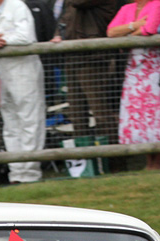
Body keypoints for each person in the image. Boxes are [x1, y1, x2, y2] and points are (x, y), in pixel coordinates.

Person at [0, 0, 45, 183]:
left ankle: (30, 173)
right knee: (10, 123)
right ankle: (16, 172)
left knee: (30, 120)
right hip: (0, 72)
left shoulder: (17, 6)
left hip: (23, 70)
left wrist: (2, 40)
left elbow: (26, 36)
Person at [107, 0, 160, 171]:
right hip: (133, 70)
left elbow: (150, 29)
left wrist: (126, 33)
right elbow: (111, 32)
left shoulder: (158, 4)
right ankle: (148, 161)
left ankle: (158, 161)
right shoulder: (126, 8)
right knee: (138, 114)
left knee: (156, 112)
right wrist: (135, 25)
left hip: (154, 67)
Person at [59, 0, 121, 154]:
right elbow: (65, 18)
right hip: (73, 55)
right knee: (77, 114)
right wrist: (58, 34)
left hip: (95, 58)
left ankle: (113, 159)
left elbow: (78, 2)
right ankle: (85, 163)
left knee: (101, 112)